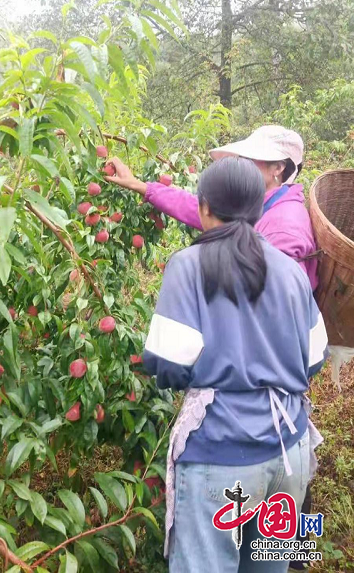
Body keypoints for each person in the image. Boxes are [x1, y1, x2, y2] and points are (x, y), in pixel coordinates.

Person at [142, 157, 328, 573]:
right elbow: (314, 359)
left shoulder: (188, 266)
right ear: (258, 208)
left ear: (204, 207)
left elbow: (167, 364)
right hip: (288, 451)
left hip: (221, 456)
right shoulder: (289, 270)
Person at [105, 125, 319, 290]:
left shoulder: (284, 226)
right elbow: (198, 208)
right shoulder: (258, 204)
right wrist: (140, 185)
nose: (241, 164)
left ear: (278, 168)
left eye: (249, 159)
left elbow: (277, 303)